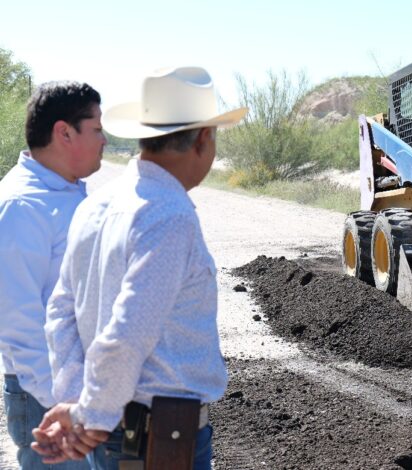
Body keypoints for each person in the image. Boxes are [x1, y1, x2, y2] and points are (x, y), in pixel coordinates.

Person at [31, 67, 247, 469]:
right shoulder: (168, 215)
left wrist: (81, 403)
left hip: (116, 433)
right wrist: (88, 415)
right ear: (203, 138)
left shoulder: (97, 203)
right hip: (152, 440)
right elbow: (129, 331)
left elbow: (62, 311)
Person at [0, 81, 105, 469]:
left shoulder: (68, 193)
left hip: (78, 394)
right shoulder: (21, 206)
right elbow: (16, 319)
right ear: (64, 132)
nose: (104, 140)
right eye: (95, 128)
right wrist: (61, 403)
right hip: (46, 398)